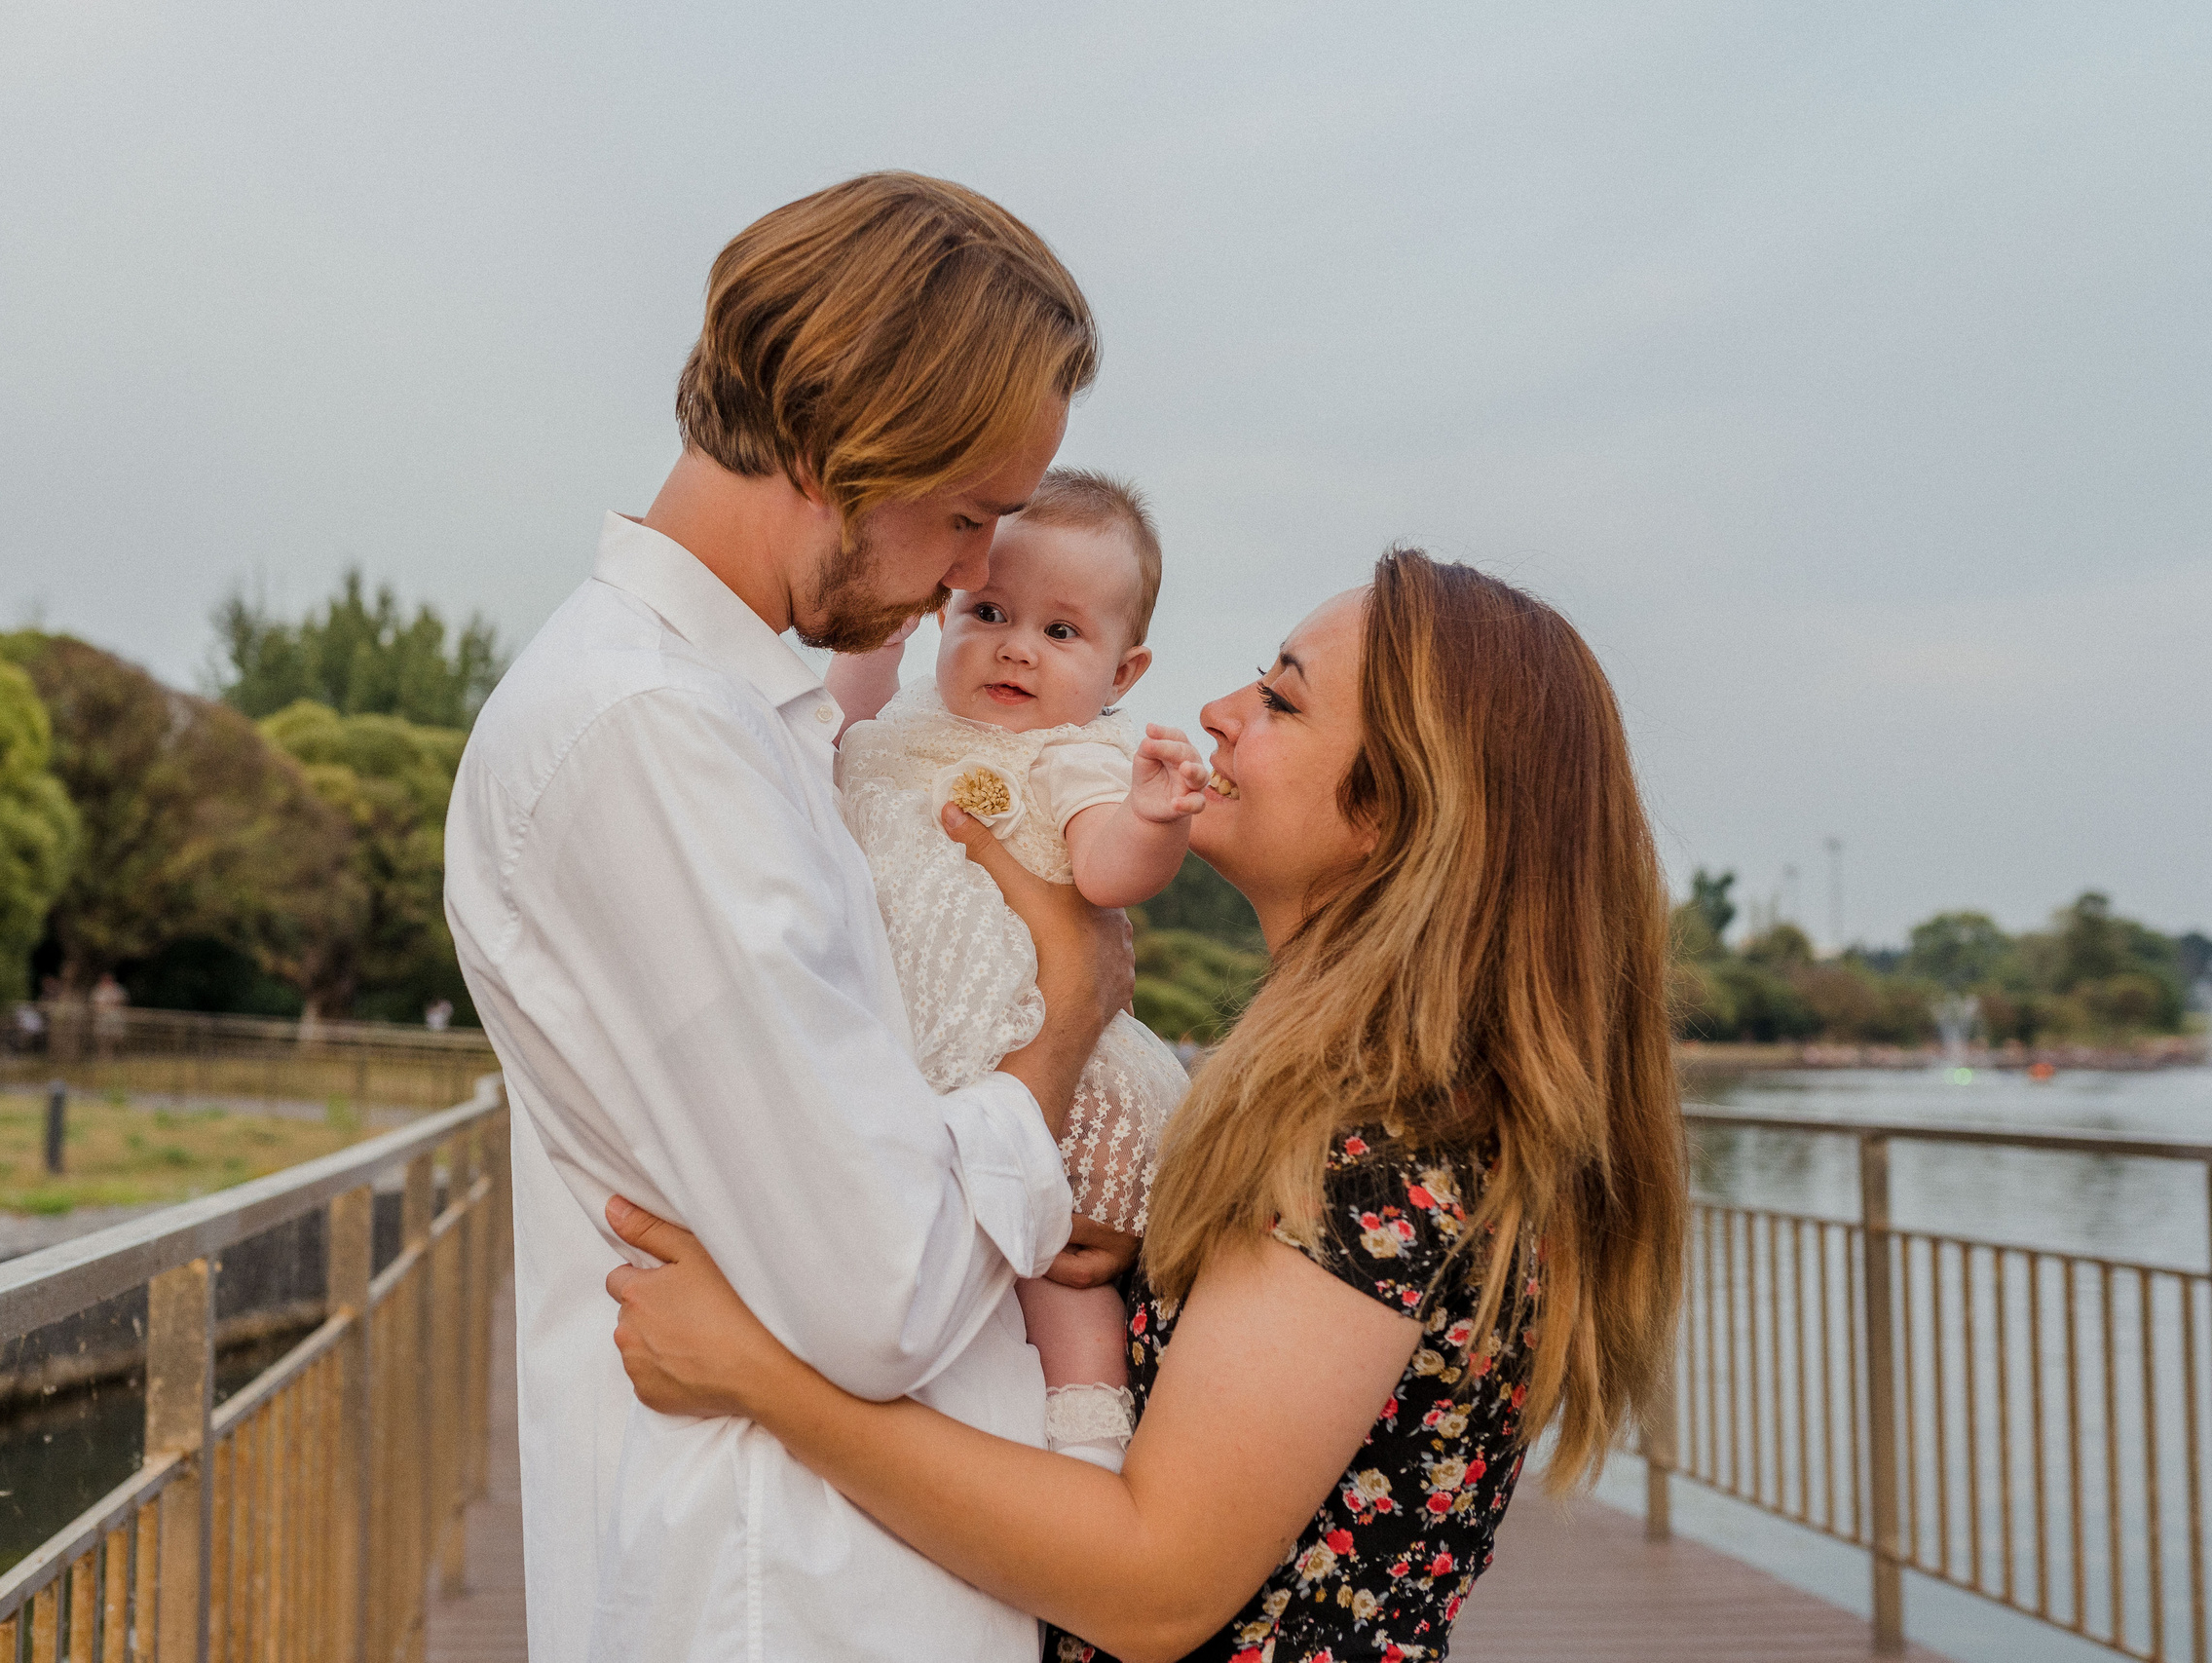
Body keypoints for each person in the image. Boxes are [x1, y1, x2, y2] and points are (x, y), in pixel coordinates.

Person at [603, 551, 1691, 1663]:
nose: (1216, 714)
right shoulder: (1380, 1116)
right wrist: (1148, 1251)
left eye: (1277, 697)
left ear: (1393, 806)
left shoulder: (1380, 1158)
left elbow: (1151, 1586)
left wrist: (756, 1377)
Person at [443, 172, 1132, 1663]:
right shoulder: (650, 730)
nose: (970, 573)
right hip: (788, 1597)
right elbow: (877, 1285)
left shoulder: (737, 717)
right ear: (839, 437)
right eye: (965, 514)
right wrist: (1059, 1035)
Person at [826, 468, 1204, 1471]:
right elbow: (831, 726)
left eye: (1061, 633)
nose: (1015, 647)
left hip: (1054, 1072)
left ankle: (1088, 1432)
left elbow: (1104, 869)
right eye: (987, 610)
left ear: (1123, 676)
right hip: (938, 1058)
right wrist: (875, 628)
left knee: (1062, 1268)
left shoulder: (1074, 758)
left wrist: (1154, 821)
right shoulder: (899, 733)